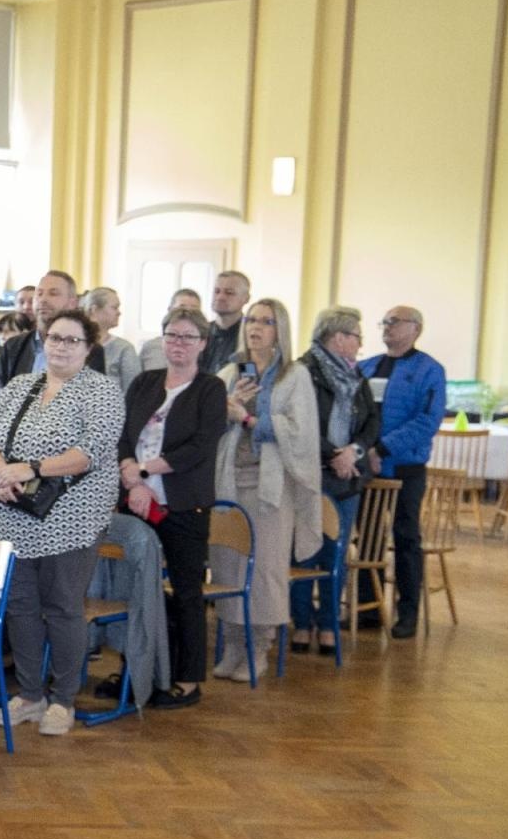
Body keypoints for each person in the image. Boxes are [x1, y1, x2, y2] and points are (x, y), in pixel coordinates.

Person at [0, 308, 123, 737]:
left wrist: (30, 468)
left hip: (73, 517)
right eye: (54, 337)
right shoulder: (22, 386)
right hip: (14, 514)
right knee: (19, 607)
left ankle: (64, 699)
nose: (60, 346)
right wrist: (3, 472)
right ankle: (30, 695)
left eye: (71, 340)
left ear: (88, 347)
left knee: (62, 608)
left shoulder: (101, 391)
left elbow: (90, 452)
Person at [117, 307, 227, 709]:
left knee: (185, 593)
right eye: (172, 335)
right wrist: (131, 475)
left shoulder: (210, 388)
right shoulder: (145, 382)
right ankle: (137, 669)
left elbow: (199, 447)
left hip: (183, 505)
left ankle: (186, 678)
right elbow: (123, 433)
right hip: (135, 500)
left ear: (202, 343)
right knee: (133, 590)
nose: (178, 344)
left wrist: (142, 471)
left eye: (188, 337)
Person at [211, 298, 322, 682]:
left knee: (264, 570)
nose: (256, 327)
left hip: (270, 485)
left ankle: (259, 647)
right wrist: (225, 413)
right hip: (230, 478)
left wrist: (249, 418)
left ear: (281, 331)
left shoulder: (295, 376)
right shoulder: (232, 371)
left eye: (266, 322)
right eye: (252, 320)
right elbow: (211, 423)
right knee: (226, 563)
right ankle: (233, 645)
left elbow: (302, 433)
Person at [289, 306, 380, 655]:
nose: (360, 343)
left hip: (349, 477)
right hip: (313, 474)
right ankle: (302, 623)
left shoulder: (356, 375)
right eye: (357, 335)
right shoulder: (303, 372)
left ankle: (328, 624)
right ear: (338, 337)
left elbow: (372, 419)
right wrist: (334, 455)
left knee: (335, 555)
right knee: (305, 553)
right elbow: (302, 426)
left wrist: (353, 451)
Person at [356, 306, 444, 640]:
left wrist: (383, 449)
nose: (387, 327)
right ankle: (368, 607)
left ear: (415, 329)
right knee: (368, 539)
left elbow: (426, 420)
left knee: (406, 538)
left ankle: (407, 613)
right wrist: (364, 450)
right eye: (385, 322)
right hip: (367, 468)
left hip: (404, 468)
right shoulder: (367, 367)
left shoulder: (429, 370)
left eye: (395, 322)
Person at [0, 271, 106, 385]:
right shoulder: (14, 346)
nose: (43, 299)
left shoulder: (90, 350)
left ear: (72, 303)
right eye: (39, 294)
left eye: (53, 294)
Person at [83, 287, 140, 392]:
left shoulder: (124, 349)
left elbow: (133, 392)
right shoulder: (74, 344)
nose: (119, 313)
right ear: (94, 310)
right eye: (114, 308)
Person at [140, 288, 209, 371]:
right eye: (181, 308)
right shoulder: (151, 348)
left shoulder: (204, 349)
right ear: (169, 310)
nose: (187, 314)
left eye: (194, 310)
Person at [198, 271, 251, 376]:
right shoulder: (199, 333)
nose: (220, 297)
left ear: (246, 298)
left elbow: (248, 378)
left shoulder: (249, 337)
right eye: (217, 291)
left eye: (229, 293)